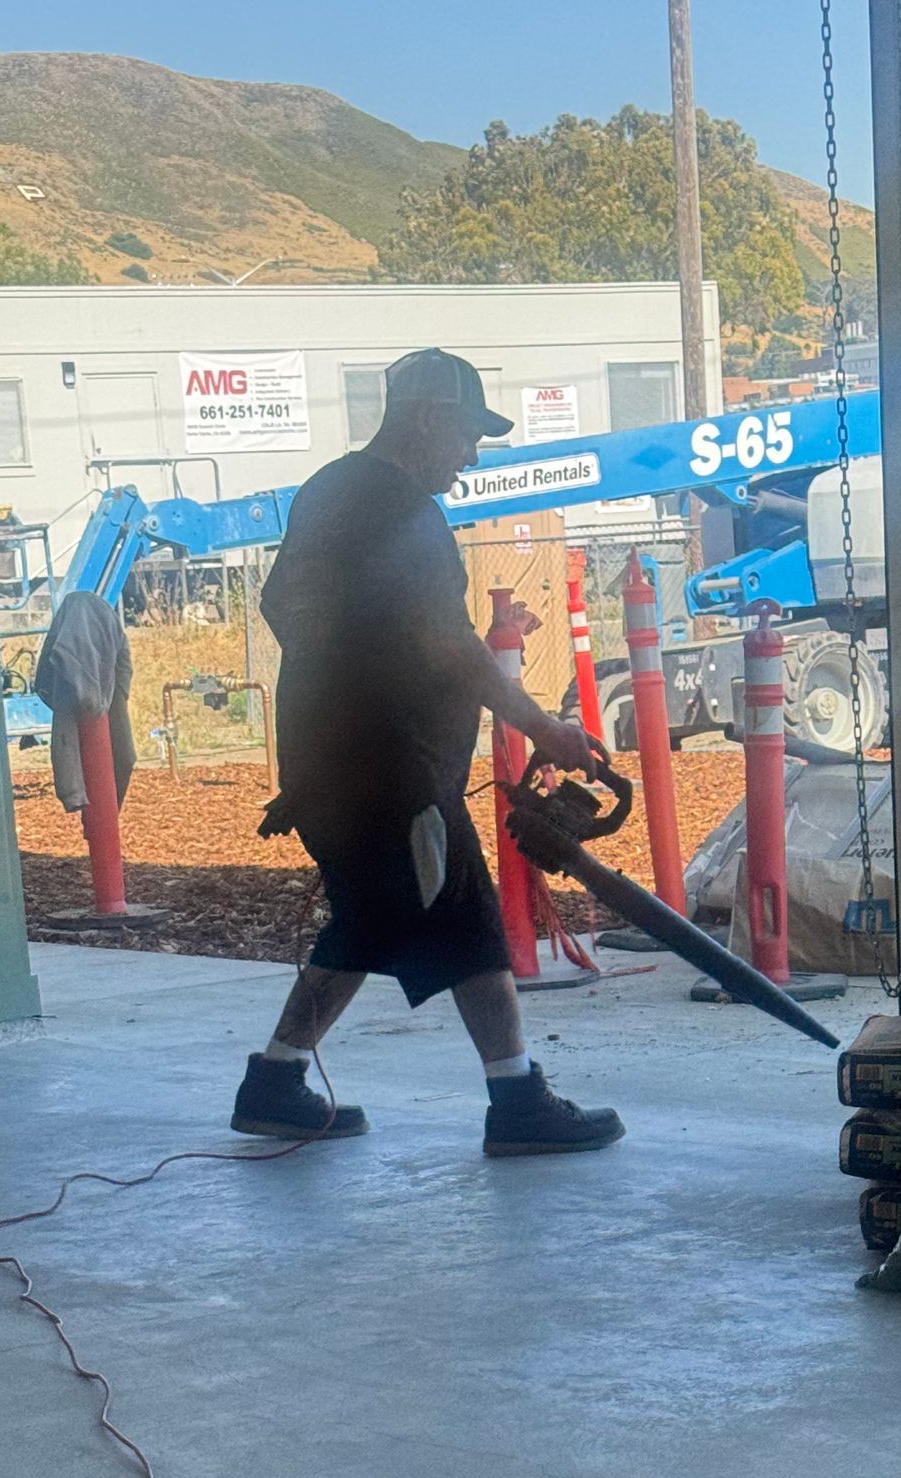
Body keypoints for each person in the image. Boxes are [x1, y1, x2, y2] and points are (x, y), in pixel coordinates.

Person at [231, 348, 625, 1156]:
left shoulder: (329, 492)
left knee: (374, 920)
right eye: (468, 433)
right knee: (464, 917)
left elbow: (285, 605)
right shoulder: (400, 508)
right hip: (392, 772)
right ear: (426, 417)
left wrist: (339, 684)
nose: (472, 454)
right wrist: (546, 728)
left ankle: (275, 1082)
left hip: (333, 762)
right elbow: (448, 645)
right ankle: (516, 1100)